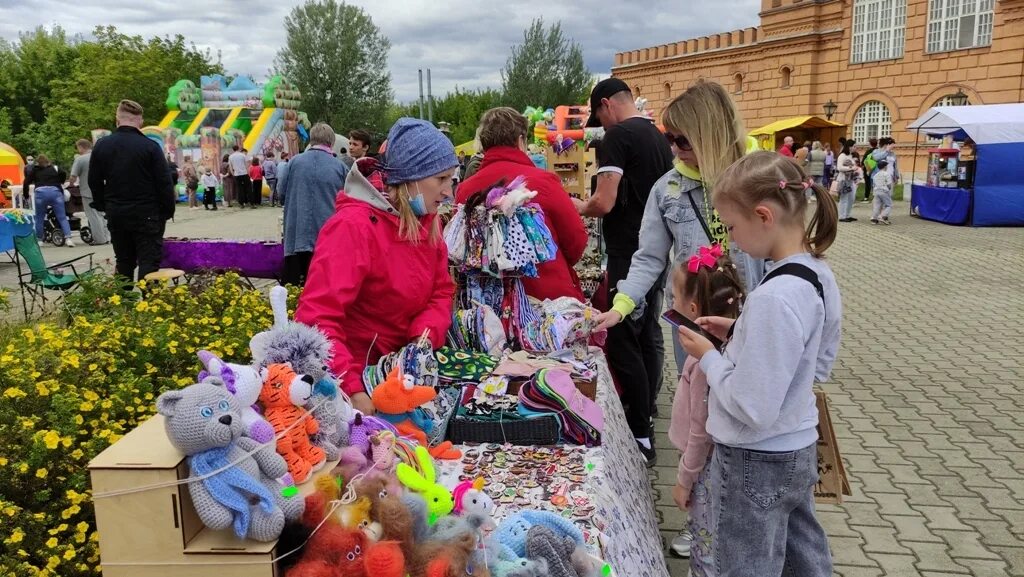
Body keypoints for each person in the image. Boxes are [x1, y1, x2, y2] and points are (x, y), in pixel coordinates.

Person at [677, 150, 840, 577]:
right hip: (797, 445)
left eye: (731, 226)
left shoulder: (772, 297)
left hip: (754, 459)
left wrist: (710, 356)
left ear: (763, 215)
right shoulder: (815, 274)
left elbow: (752, 406)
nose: (730, 239)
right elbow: (815, 361)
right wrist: (739, 333)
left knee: (746, 565)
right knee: (803, 556)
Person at [594, 79, 763, 372]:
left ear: (710, 134)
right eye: (670, 138)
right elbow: (649, 257)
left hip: (752, 315)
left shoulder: (759, 179)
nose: (674, 149)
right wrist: (621, 306)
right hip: (692, 318)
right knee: (696, 406)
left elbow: (781, 258)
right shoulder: (666, 189)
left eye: (682, 140)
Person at [295, 118, 458, 416]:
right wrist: (353, 388)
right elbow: (318, 316)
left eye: (452, 179)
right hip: (356, 386)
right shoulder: (352, 227)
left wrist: (422, 338)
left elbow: (441, 289)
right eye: (442, 179)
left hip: (399, 380)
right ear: (411, 177)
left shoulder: (426, 223)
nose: (449, 191)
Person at [576, 77, 674, 464]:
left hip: (629, 250)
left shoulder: (615, 138)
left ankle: (639, 429)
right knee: (648, 328)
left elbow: (604, 200)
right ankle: (648, 408)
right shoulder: (656, 135)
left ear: (606, 105)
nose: (599, 122)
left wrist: (576, 206)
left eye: (597, 114)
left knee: (621, 337)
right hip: (657, 247)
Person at [458, 107, 589, 301]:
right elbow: (576, 241)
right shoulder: (544, 182)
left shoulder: (465, 190)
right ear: (520, 140)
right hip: (545, 298)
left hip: (488, 302)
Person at [667, 247, 745, 571]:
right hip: (718, 471)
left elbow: (700, 432)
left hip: (704, 474)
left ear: (694, 309)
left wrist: (684, 479)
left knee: (706, 546)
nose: (670, 304)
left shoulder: (702, 365)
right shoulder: (729, 350)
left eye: (674, 297)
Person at [89, 99, 174, 282]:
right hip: (147, 213)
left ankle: (123, 304)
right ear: (140, 121)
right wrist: (167, 211)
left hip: (117, 212)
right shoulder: (150, 146)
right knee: (149, 262)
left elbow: (94, 181)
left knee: (124, 261)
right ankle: (150, 304)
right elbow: (164, 183)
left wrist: (104, 205)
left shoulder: (102, 146)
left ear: (117, 119)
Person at [277, 123, 348, 286]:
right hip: (326, 235)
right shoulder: (341, 168)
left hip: (296, 232)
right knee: (322, 287)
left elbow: (281, 192)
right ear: (331, 142)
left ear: (311, 139)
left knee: (293, 287)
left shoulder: (294, 162)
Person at [25, 154, 74, 247]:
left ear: (37, 162)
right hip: (55, 192)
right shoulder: (55, 168)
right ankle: (68, 239)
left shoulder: (34, 170)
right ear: (48, 161)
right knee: (62, 217)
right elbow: (63, 173)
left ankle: (40, 240)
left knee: (39, 218)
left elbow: (26, 182)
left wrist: (26, 194)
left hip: (40, 194)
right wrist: (60, 182)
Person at [69, 138, 110, 244]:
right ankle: (108, 237)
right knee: (103, 215)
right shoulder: (101, 156)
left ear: (81, 147)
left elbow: (73, 176)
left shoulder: (80, 159)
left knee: (93, 216)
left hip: (87, 191)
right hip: (103, 189)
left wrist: (71, 184)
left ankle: (99, 239)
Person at [835, 139, 858, 222]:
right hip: (843, 179)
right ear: (849, 147)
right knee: (844, 198)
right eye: (854, 146)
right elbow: (839, 167)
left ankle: (848, 215)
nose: (855, 148)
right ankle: (842, 216)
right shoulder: (842, 156)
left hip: (850, 179)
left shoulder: (850, 156)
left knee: (851, 198)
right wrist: (851, 168)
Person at [870, 159, 893, 225]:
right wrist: (889, 189)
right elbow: (889, 184)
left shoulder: (875, 175)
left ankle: (874, 219)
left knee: (877, 206)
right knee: (889, 205)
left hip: (876, 191)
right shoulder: (887, 174)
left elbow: (873, 185)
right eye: (886, 166)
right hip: (884, 191)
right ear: (885, 167)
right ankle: (882, 216)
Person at [863, 137, 879, 202]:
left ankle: (866, 197)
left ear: (870, 144)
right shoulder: (878, 151)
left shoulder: (868, 151)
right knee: (876, 184)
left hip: (868, 169)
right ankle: (875, 197)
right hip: (877, 170)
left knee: (868, 183)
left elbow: (864, 161)